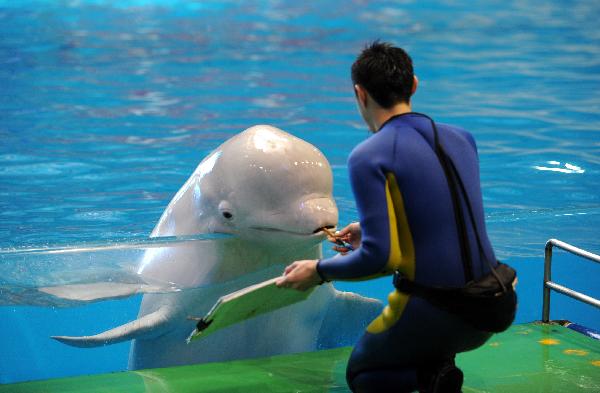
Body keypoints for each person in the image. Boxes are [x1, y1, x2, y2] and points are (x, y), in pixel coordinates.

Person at [276, 41, 497, 393]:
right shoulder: (462, 138)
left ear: (360, 94)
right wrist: (374, 228)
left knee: (363, 374)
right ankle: (438, 364)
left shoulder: (369, 155)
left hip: (438, 310)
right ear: (414, 85)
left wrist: (317, 272)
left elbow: (377, 258)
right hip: (494, 303)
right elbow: (449, 217)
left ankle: (433, 377)